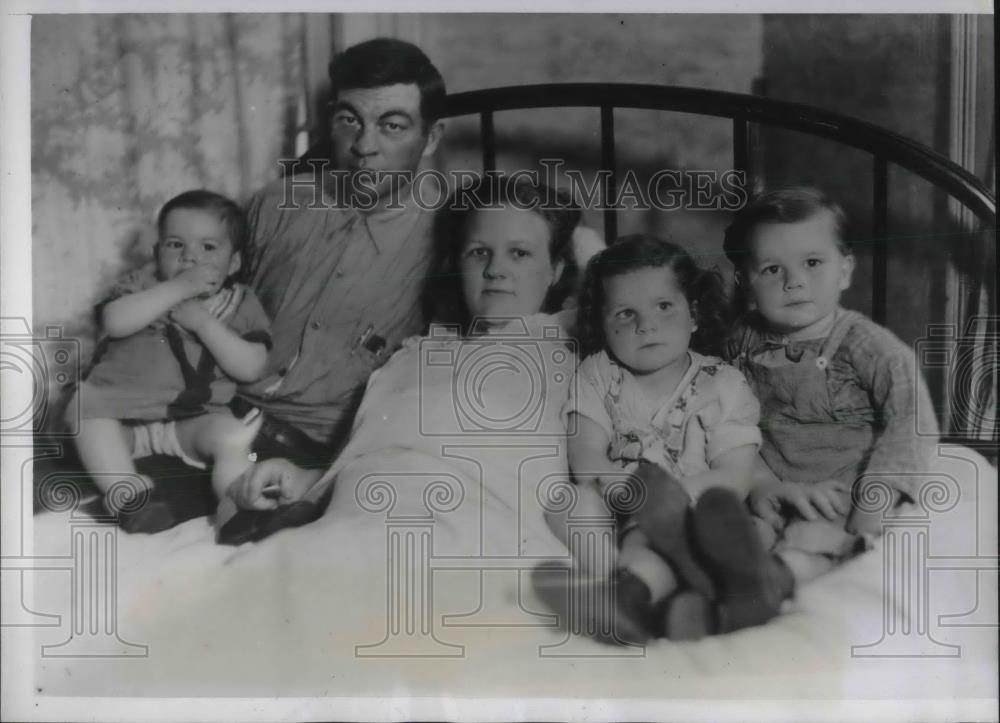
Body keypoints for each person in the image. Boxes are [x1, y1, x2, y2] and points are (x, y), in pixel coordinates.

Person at [235, 177, 586, 532]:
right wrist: (302, 479)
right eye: (479, 251)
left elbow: (626, 283)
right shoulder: (415, 353)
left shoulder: (570, 341)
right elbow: (371, 453)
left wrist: (577, 239)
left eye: (520, 253)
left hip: (478, 527)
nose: (495, 269)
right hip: (363, 517)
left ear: (556, 271)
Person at [212, 38, 447, 544]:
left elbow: (542, 251)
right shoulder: (276, 204)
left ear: (430, 138)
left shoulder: (454, 230)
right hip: (214, 423)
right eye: (349, 120)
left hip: (319, 451)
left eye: (393, 125)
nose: (365, 146)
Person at [557, 235, 793, 644]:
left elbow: (735, 475)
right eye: (625, 313)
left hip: (707, 517)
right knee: (583, 511)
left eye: (664, 306)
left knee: (745, 535)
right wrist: (632, 494)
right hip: (631, 511)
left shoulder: (723, 383)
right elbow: (585, 457)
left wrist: (669, 499)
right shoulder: (597, 375)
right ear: (602, 325)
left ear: (695, 313)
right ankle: (675, 605)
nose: (645, 324)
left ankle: (650, 600)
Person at [723, 187, 939, 587]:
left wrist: (873, 503)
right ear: (745, 281)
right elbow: (722, 417)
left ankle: (779, 583)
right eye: (771, 269)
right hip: (773, 488)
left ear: (844, 270)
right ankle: (713, 590)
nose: (794, 282)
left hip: (844, 493)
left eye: (812, 262)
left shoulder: (867, 346)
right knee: (734, 534)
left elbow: (911, 421)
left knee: (809, 544)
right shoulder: (741, 340)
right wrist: (760, 484)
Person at [68, 190, 270, 535]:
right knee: (81, 408)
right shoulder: (143, 286)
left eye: (208, 248)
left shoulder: (241, 303)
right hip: (123, 418)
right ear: (157, 253)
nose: (190, 258)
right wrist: (175, 290)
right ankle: (128, 496)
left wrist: (204, 324)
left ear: (233, 263)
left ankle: (236, 507)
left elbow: (251, 367)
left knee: (232, 437)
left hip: (193, 421)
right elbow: (114, 322)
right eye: (176, 245)